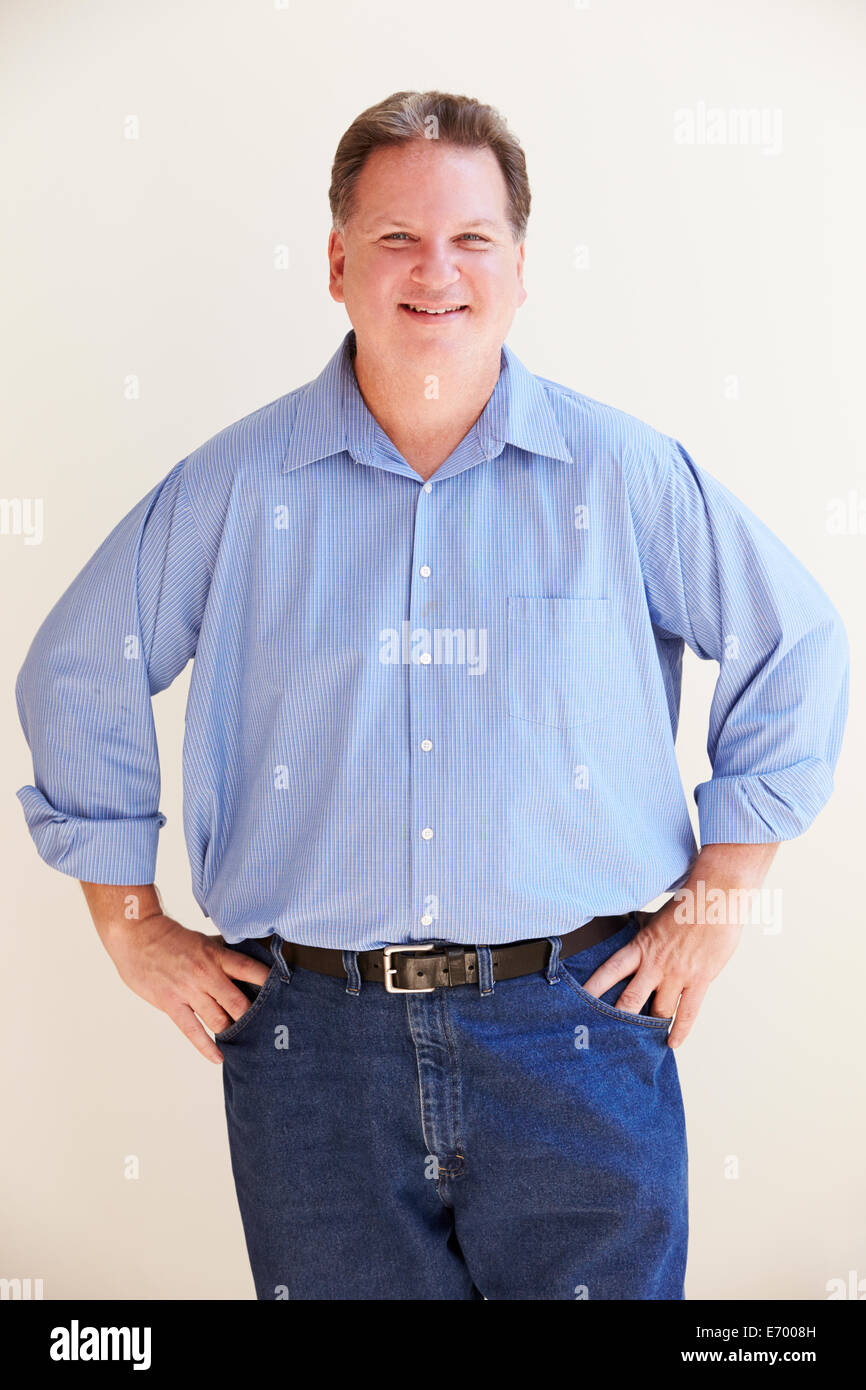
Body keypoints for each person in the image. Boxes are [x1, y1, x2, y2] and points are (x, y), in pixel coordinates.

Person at [14, 90, 849, 1301]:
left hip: (574, 1026)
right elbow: (76, 664)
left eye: (471, 239)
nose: (435, 270)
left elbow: (800, 644)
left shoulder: (623, 474)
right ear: (340, 263)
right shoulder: (236, 486)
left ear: (517, 268)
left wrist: (721, 895)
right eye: (397, 237)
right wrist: (127, 921)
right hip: (314, 1050)